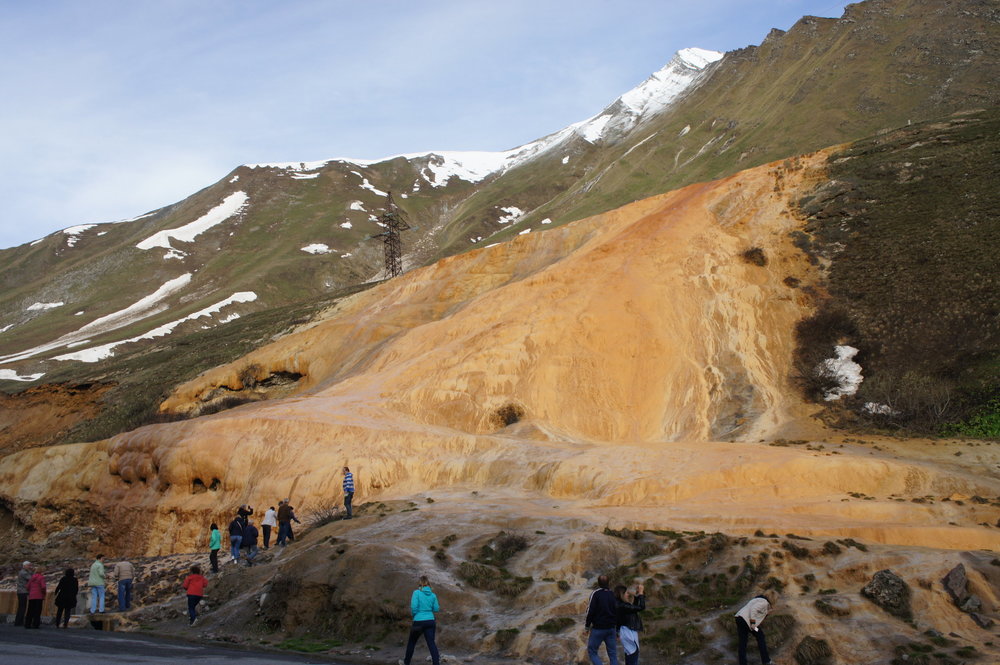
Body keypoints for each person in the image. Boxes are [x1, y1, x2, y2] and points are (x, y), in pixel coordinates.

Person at [403, 574, 440, 665]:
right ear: (429, 584)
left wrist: (414, 616)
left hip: (418, 621)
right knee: (431, 644)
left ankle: (406, 662)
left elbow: (413, 607)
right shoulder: (433, 595)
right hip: (430, 621)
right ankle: (436, 663)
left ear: (419, 584)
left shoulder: (416, 593)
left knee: (412, 642)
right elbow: (436, 609)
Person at [734, 593, 776, 665]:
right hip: (748, 622)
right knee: (761, 636)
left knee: (743, 643)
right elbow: (753, 610)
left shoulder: (757, 600)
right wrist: (753, 624)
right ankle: (766, 661)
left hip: (739, 619)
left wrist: (767, 614)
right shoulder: (764, 603)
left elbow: (758, 617)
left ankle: (743, 663)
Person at [585, 574, 618, 665]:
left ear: (598, 583)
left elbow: (590, 611)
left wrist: (587, 627)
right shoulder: (613, 594)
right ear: (608, 583)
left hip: (598, 628)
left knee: (592, 651)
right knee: (613, 655)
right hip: (611, 628)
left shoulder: (595, 594)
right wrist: (617, 629)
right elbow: (617, 611)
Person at [615, 583, 645, 665]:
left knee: (630, 655)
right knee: (633, 654)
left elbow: (633, 610)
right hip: (628, 632)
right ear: (622, 594)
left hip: (625, 631)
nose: (628, 594)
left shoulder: (619, 604)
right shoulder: (622, 606)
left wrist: (636, 596)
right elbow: (641, 607)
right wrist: (641, 593)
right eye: (626, 593)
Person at [14, 561, 32, 626]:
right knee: (22, 607)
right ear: (24, 566)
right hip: (23, 591)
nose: (30, 567)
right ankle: (19, 622)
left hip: (21, 591)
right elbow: (31, 578)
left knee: (21, 607)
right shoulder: (24, 573)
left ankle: (18, 621)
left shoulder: (24, 572)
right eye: (29, 566)